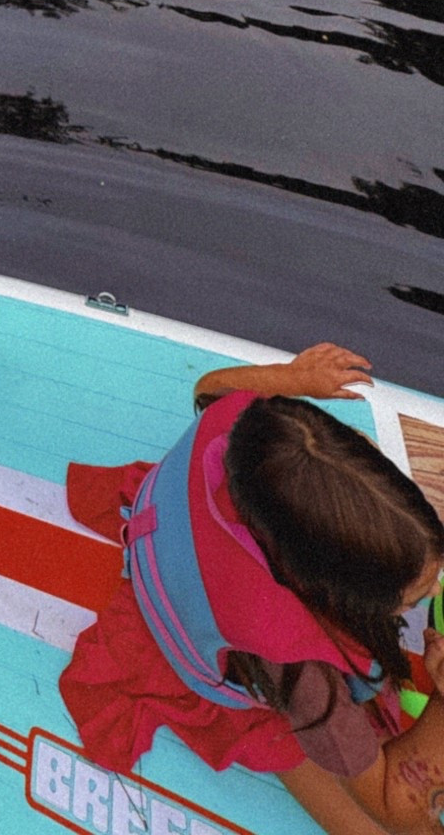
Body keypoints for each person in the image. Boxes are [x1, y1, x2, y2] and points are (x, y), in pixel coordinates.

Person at [60, 342, 444, 835]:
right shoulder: (307, 678)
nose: (433, 592)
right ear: (331, 592)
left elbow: (209, 390)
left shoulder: (250, 440)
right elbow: (393, 807)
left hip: (168, 537)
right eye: (410, 595)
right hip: (225, 664)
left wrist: (294, 378)